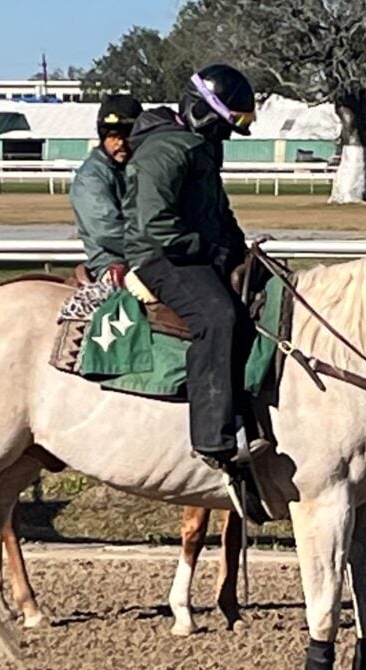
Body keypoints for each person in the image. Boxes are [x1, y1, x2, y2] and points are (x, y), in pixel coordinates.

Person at [122, 63, 261, 470]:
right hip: (162, 256)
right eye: (223, 125)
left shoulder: (199, 146)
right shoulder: (164, 152)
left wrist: (238, 247)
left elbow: (218, 210)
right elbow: (156, 224)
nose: (225, 135)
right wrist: (208, 248)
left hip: (195, 251)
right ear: (203, 111)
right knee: (218, 318)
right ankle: (213, 438)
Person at [69, 94, 144, 285]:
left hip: (141, 257)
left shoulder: (139, 168)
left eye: (127, 134)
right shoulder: (91, 177)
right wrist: (154, 250)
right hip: (112, 263)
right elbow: (107, 232)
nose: (121, 143)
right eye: (113, 136)